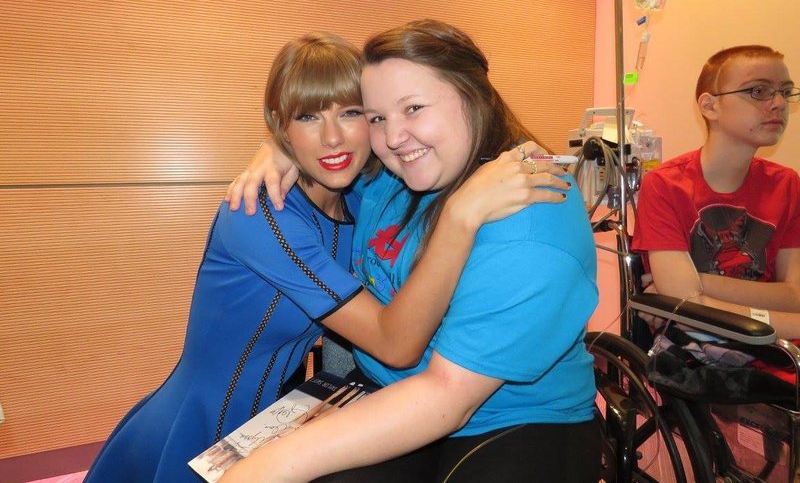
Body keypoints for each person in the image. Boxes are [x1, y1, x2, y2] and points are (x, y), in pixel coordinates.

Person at [84, 32, 568, 483]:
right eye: (309, 116)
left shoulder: (364, 198)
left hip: (282, 417)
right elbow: (394, 344)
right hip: (201, 425)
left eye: (353, 113)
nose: (333, 138)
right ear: (281, 125)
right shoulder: (260, 216)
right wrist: (459, 218)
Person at [222, 20, 600, 482]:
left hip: (514, 419)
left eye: (414, 108)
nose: (393, 137)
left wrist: (270, 466)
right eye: (377, 117)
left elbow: (447, 397)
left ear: (475, 96)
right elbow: (336, 151)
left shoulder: (533, 223)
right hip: (386, 388)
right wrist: (281, 149)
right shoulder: (393, 176)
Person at [633, 45, 800, 339]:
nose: (778, 104)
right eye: (758, 91)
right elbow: (686, 307)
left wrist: (698, 285)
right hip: (694, 365)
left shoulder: (787, 184)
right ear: (710, 106)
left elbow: (796, 296)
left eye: (785, 92)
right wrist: (784, 319)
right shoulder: (665, 185)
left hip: (778, 359)